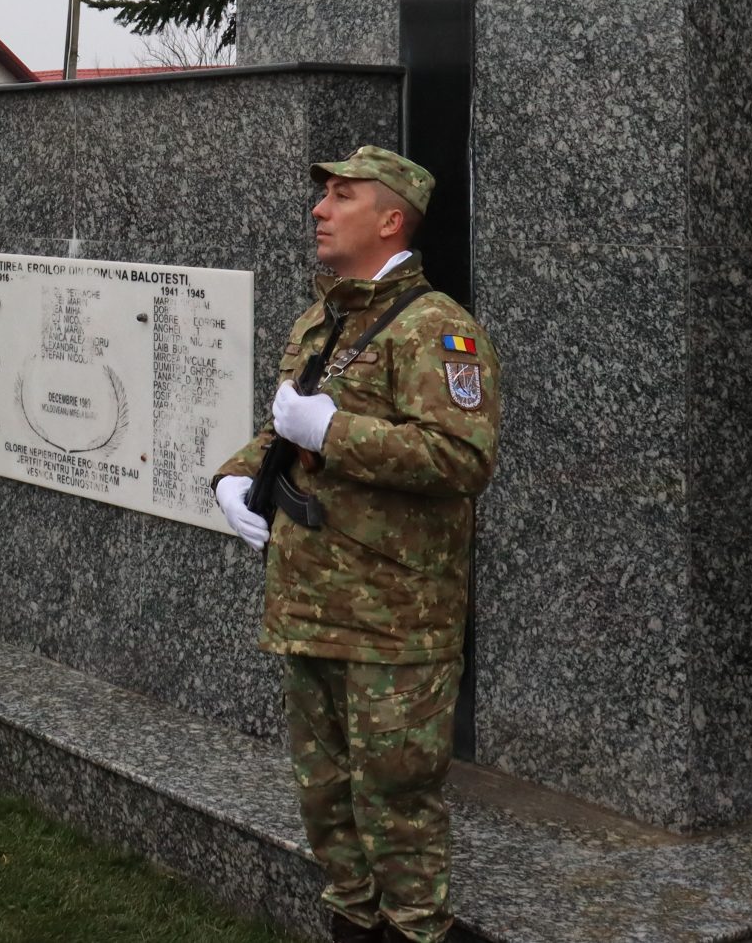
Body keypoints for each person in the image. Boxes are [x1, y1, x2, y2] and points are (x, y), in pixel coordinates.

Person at [212, 147, 500, 943]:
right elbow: (285, 429)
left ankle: (415, 929)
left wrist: (335, 432)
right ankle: (352, 920)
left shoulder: (438, 329)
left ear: (391, 219)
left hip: (394, 620)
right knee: (325, 794)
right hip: (308, 603)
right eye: (324, 195)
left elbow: (461, 457)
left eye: (343, 195)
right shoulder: (322, 318)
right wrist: (234, 475)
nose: (320, 208)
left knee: (397, 798)